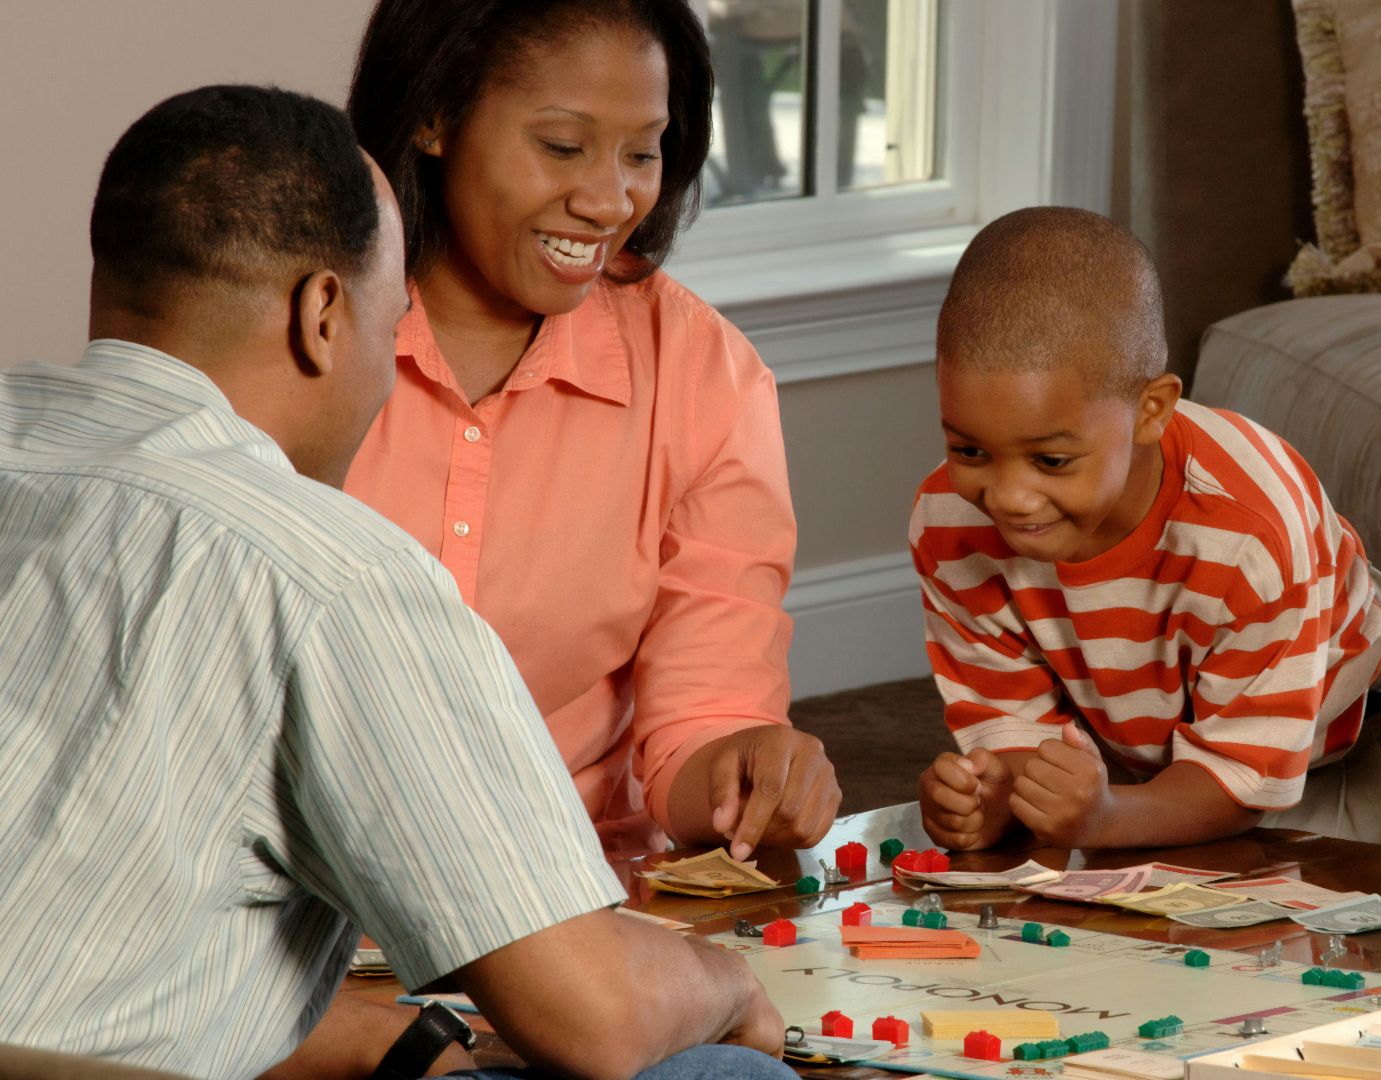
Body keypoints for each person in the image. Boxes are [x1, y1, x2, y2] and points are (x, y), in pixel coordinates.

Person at [0, 84, 791, 1080]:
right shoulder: (333, 573)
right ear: (322, 314)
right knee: (722, 1073)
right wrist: (729, 986)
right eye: (392, 319)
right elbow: (593, 1018)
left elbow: (101, 961)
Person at [344, 0, 837, 858]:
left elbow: (702, 719)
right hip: (311, 903)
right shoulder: (304, 331)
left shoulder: (704, 375)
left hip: (565, 891)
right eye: (563, 147)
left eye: (642, 152)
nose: (610, 202)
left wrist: (744, 773)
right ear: (433, 117)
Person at [911, 207, 1381, 852]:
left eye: (1051, 461)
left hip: (1366, 729)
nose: (1008, 498)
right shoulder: (951, 523)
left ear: (1151, 410)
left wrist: (1107, 819)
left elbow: (1238, 778)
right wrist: (996, 796)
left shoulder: (1249, 532)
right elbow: (1018, 739)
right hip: (1163, 745)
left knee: (1341, 901)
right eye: (970, 451)